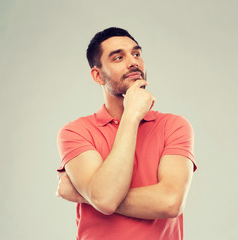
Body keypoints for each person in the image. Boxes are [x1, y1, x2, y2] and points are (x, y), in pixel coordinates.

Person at [56, 27, 197, 240]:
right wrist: (131, 115)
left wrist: (86, 195)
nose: (133, 62)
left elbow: (170, 202)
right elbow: (104, 198)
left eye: (136, 54)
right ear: (97, 75)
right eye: (118, 57)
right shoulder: (76, 132)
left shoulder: (173, 126)